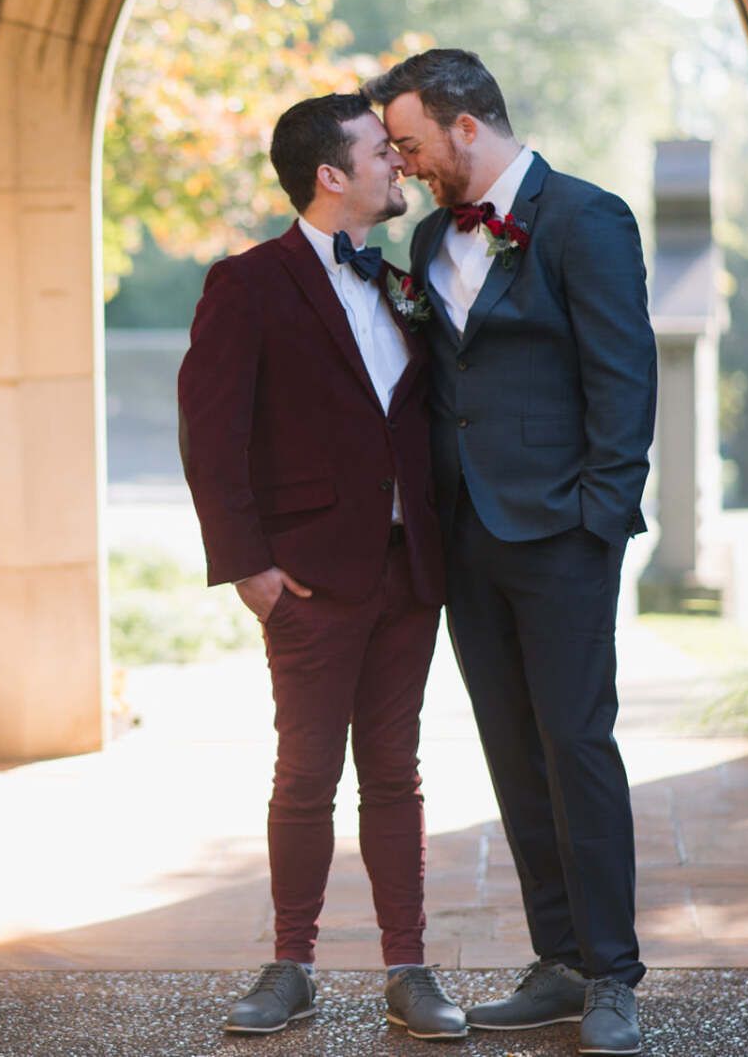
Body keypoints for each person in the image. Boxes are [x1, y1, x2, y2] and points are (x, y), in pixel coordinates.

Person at [364, 48, 656, 1056]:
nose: (401, 164)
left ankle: (614, 973)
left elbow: (624, 380)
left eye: (408, 142)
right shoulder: (438, 235)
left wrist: (600, 520)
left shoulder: (587, 218)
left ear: (466, 128)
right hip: (466, 536)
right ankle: (561, 959)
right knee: (513, 752)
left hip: (564, 536)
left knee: (577, 745)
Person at [177, 92, 464, 1039]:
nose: (401, 165)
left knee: (396, 772)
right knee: (305, 775)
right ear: (330, 175)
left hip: (407, 571)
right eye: (383, 153)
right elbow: (210, 432)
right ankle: (290, 964)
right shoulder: (248, 283)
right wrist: (247, 568)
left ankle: (408, 968)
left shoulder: (397, 281)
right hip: (305, 578)